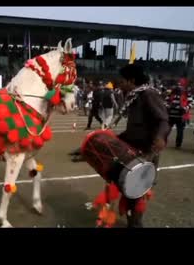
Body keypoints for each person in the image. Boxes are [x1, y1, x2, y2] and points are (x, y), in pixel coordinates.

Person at [71, 64, 170, 227]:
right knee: (126, 188)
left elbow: (163, 120)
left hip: (146, 152)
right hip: (131, 151)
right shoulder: (134, 96)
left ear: (131, 80)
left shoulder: (148, 95)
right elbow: (133, 130)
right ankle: (133, 221)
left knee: (136, 192)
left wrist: (159, 138)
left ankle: (136, 224)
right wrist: (105, 143)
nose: (120, 84)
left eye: (122, 81)